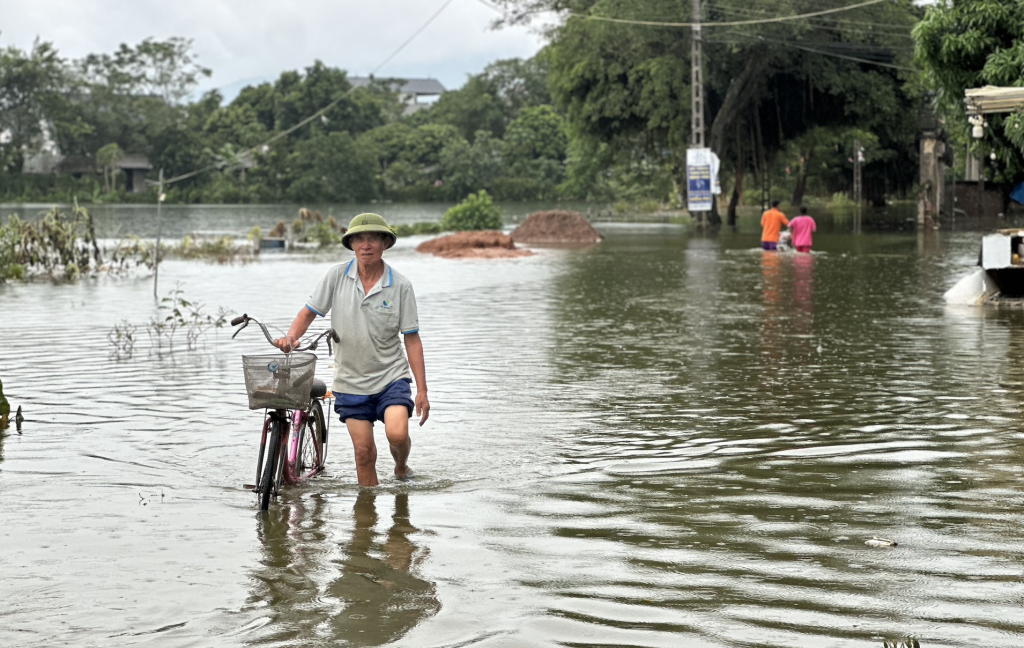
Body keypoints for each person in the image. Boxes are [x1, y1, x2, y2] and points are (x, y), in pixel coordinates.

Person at [274, 213, 429, 486]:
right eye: (359, 239)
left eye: (372, 239)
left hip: (390, 377)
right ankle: (366, 522)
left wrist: (422, 390)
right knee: (363, 453)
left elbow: (412, 338)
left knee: (397, 434)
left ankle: (401, 465)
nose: (365, 245)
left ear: (384, 244)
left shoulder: (401, 286)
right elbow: (309, 312)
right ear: (352, 244)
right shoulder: (336, 276)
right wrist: (291, 337)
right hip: (350, 380)